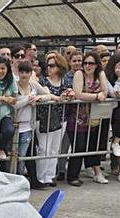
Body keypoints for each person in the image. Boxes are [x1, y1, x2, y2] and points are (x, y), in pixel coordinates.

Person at [66, 52, 110, 186]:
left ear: (97, 65)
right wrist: (96, 97)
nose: (87, 66)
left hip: (94, 117)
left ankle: (91, 171)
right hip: (78, 116)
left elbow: (105, 91)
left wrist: (99, 95)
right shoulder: (79, 74)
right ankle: (72, 176)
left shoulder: (100, 74)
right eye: (85, 63)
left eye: (91, 63)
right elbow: (78, 93)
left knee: (91, 145)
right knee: (78, 146)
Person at [35, 53, 73, 186]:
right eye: (48, 65)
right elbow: (42, 93)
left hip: (61, 119)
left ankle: (50, 175)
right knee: (43, 148)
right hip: (43, 119)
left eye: (52, 65)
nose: (49, 68)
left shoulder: (65, 82)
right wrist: (57, 98)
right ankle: (41, 177)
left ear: (59, 67)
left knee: (54, 148)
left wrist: (70, 94)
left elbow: (70, 92)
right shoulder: (42, 81)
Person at [14, 60, 50, 185]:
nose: (24, 75)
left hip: (28, 127)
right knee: (14, 156)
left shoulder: (34, 85)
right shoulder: (14, 85)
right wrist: (28, 100)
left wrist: (38, 98)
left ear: (31, 73)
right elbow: (13, 105)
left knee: (22, 156)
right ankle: (15, 181)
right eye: (22, 72)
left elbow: (48, 95)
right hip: (14, 125)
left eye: (27, 72)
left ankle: (19, 182)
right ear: (18, 73)